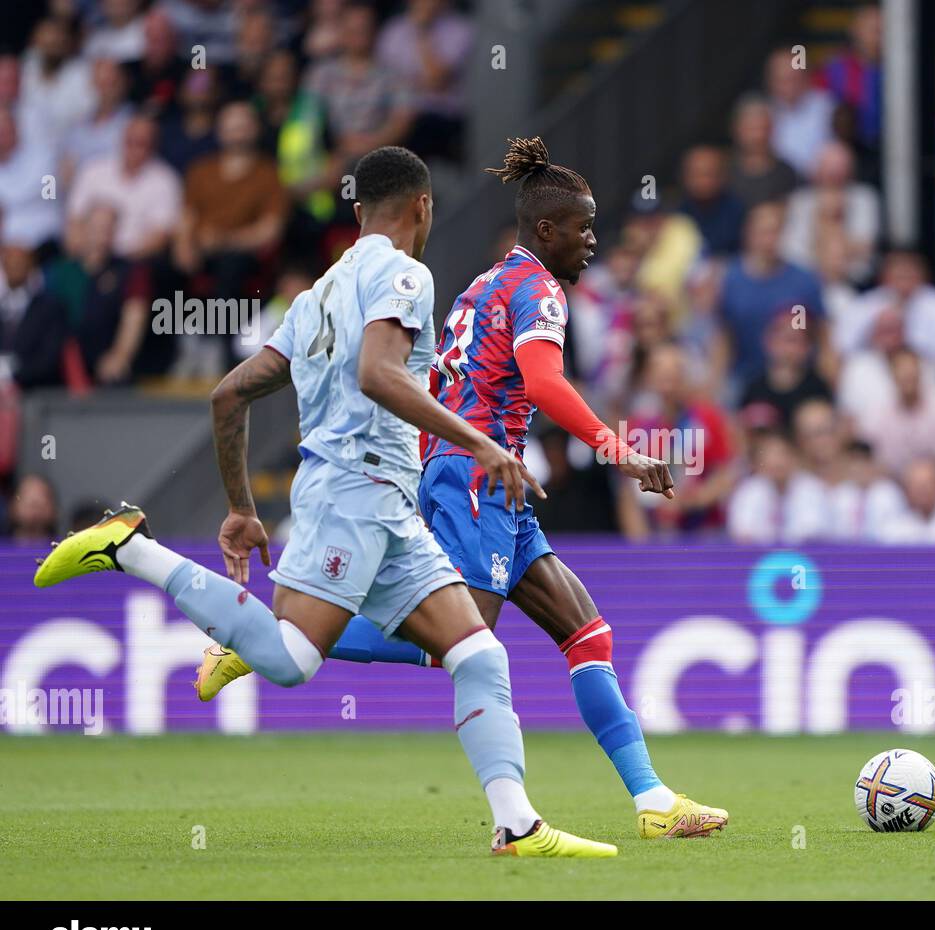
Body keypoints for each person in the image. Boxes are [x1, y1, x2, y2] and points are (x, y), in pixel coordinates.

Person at [34, 145, 613, 859]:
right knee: (291, 659)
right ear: (422, 208)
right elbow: (378, 374)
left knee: (478, 654)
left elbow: (229, 394)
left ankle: (516, 824)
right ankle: (132, 547)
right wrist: (483, 443)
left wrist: (241, 507)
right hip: (354, 492)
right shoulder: (406, 274)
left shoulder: (317, 294)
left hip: (388, 500)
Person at [207, 137, 727, 840]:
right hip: (476, 475)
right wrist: (619, 451)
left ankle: (652, 801)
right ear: (547, 230)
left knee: (587, 633)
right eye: (584, 228)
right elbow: (541, 382)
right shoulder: (536, 288)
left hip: (488, 477)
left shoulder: (485, 283)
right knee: (459, 642)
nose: (592, 243)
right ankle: (275, 637)